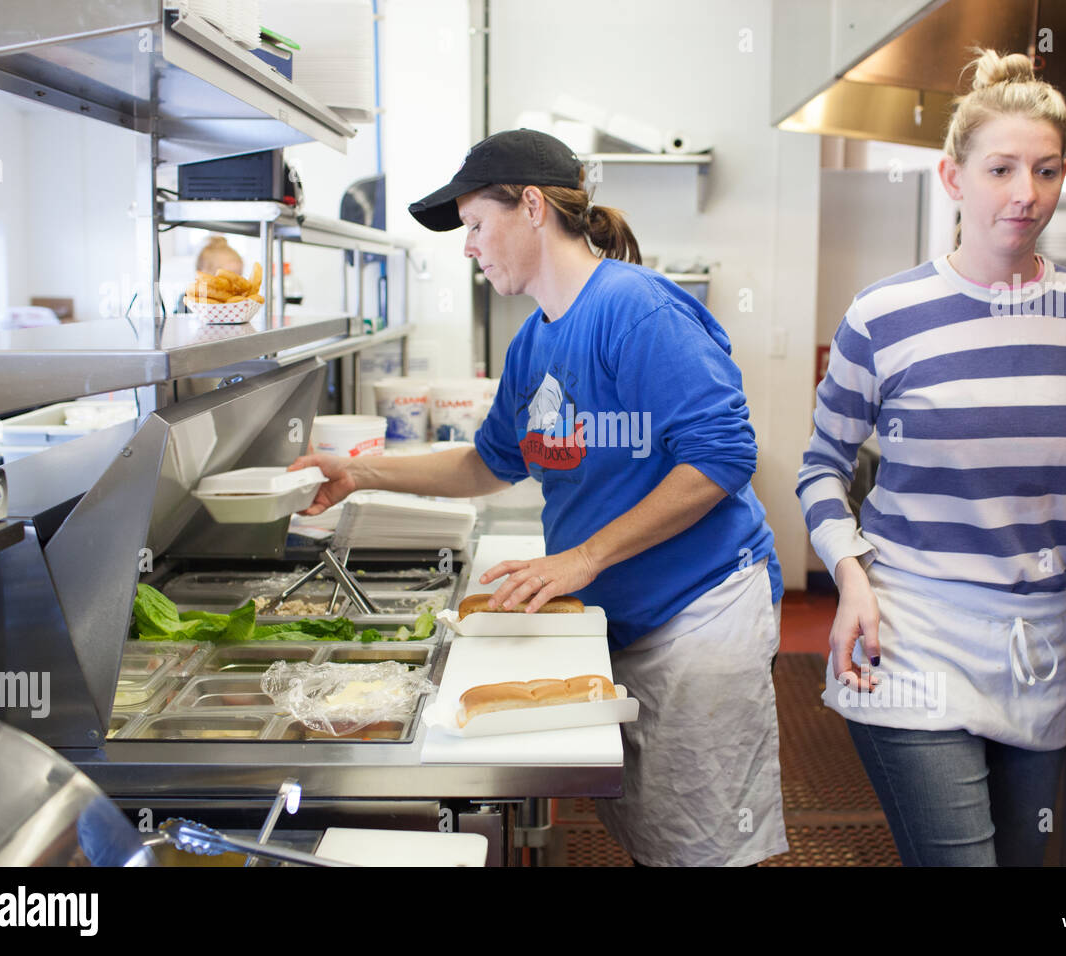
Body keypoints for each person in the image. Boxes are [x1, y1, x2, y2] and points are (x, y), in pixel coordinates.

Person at [291, 129, 787, 867]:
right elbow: (489, 463)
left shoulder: (638, 309)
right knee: (657, 834)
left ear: (529, 207)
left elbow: (722, 458)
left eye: (475, 225)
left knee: (707, 847)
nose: (468, 246)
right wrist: (362, 474)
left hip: (700, 612)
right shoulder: (535, 342)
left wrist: (583, 558)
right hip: (620, 620)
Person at [796, 49, 1066, 867]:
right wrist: (849, 576)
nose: (1026, 194)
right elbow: (822, 468)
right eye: (1001, 169)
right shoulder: (885, 316)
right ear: (953, 179)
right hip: (910, 632)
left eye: (1047, 170)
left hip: (1041, 645)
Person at [177, 236, 243, 313]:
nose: (238, 285)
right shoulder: (189, 300)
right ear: (204, 276)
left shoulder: (239, 301)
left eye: (239, 277)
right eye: (229, 278)